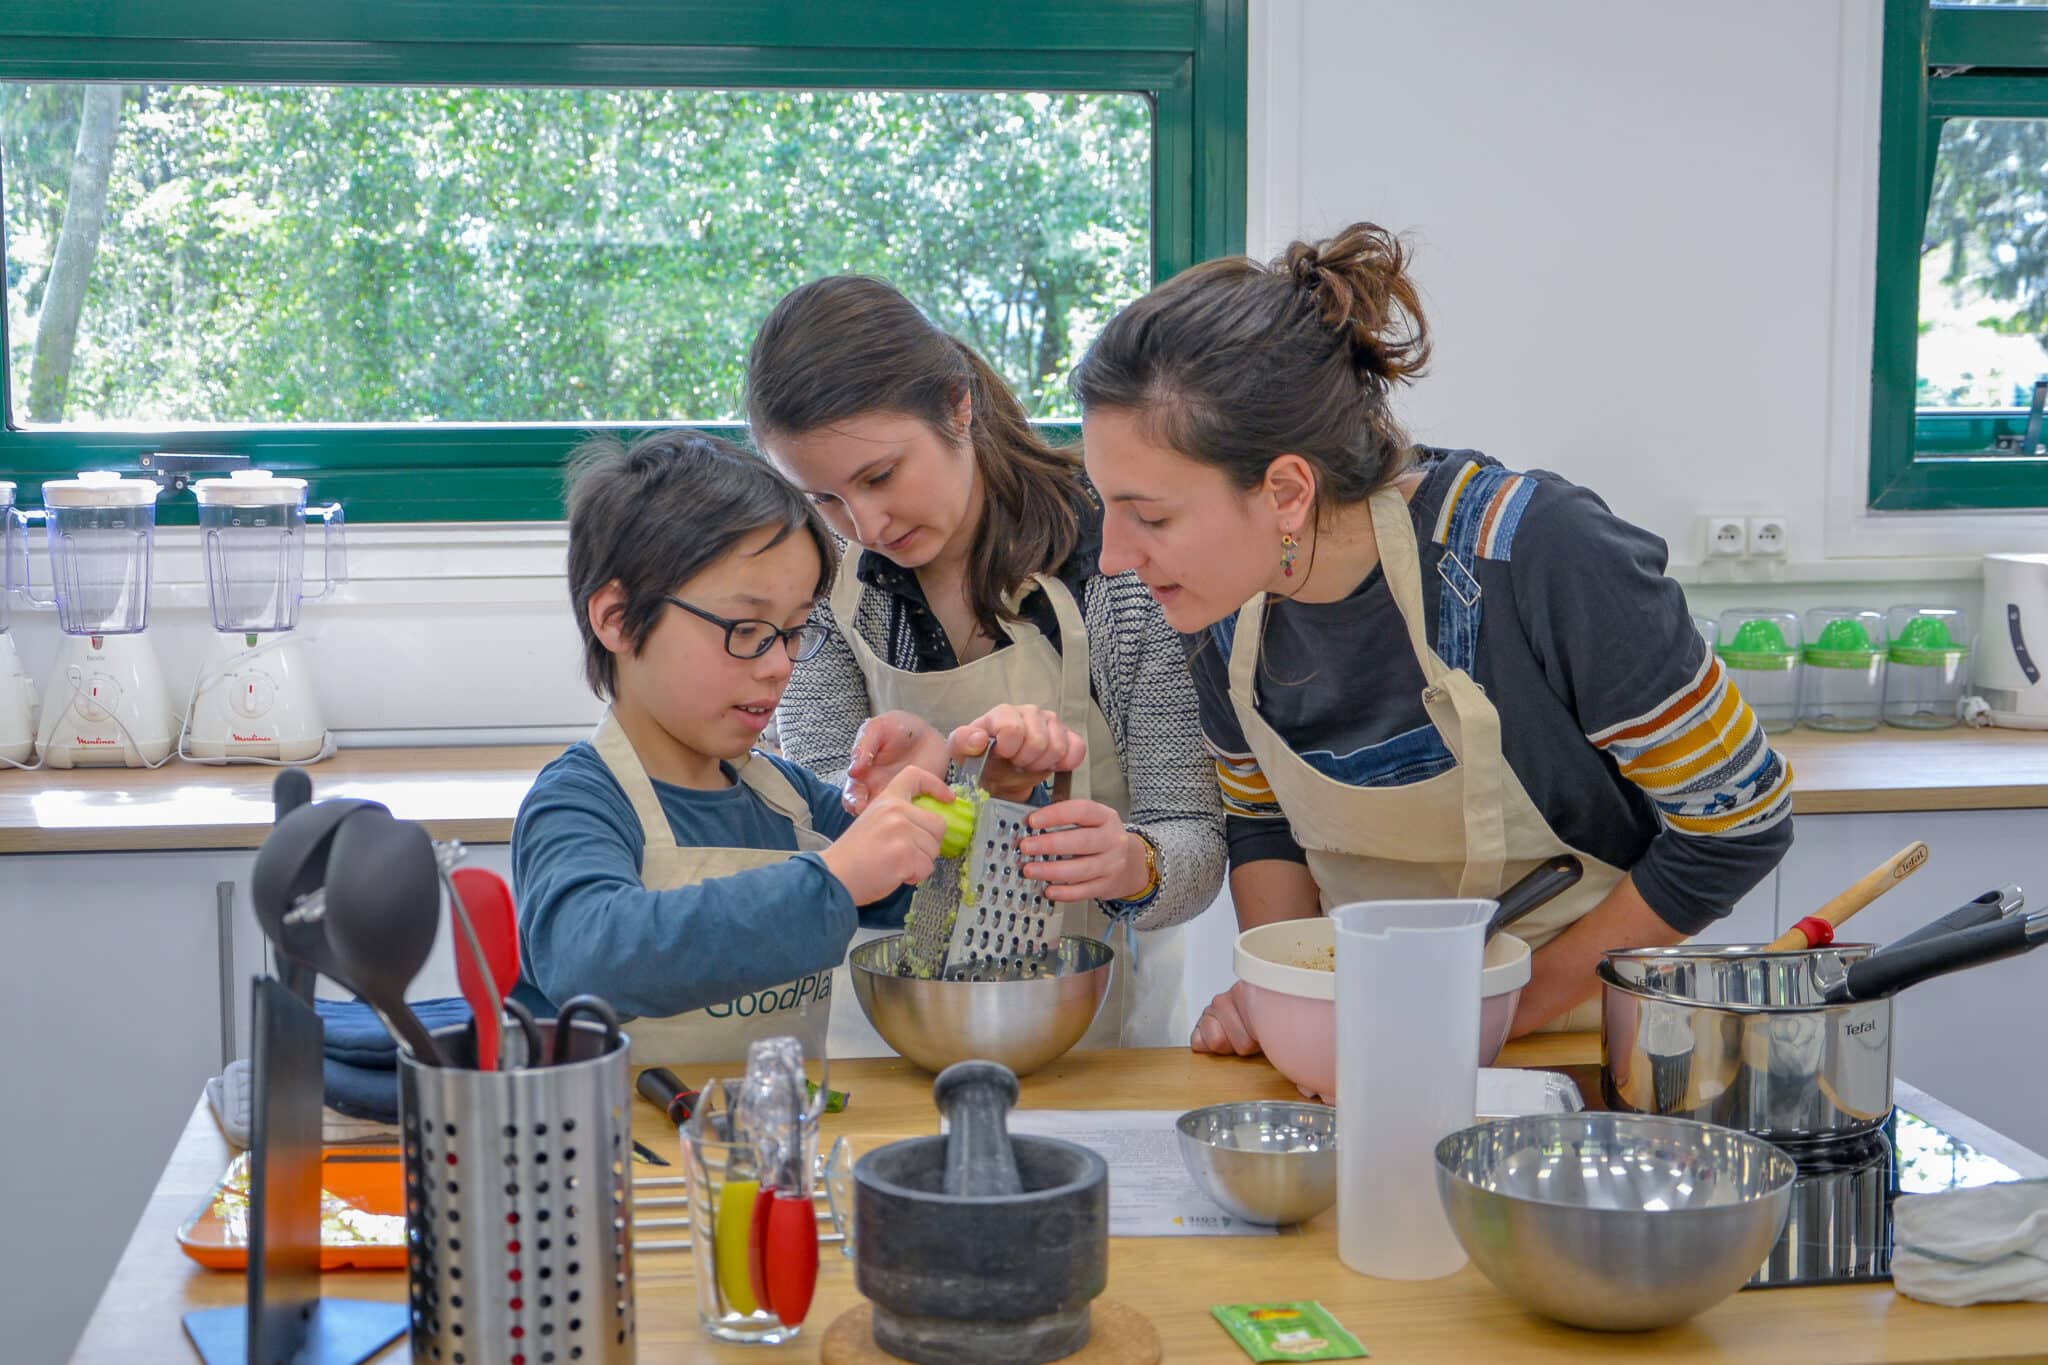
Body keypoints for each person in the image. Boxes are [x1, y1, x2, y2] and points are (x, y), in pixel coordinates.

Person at [1069, 223, 1795, 1055]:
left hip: (1581, 1046)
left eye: (1151, 515)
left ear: (1286, 491)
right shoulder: (1217, 604)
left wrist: (1497, 1014)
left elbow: (1738, 827)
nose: (1118, 556)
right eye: (1107, 506)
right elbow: (1262, 817)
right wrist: (1287, 994)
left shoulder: (1537, 556)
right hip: (1379, 1041)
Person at [744, 275, 1226, 1048]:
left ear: (957, 406)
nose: (863, 523)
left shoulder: (1115, 565)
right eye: (824, 499)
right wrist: (897, 789)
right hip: (888, 1021)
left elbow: (1193, 837)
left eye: (879, 476)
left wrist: (1132, 862)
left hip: (1089, 1029)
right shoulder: (827, 587)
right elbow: (824, 823)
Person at [512, 429, 1071, 1065]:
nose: (779, 664)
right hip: (626, 1154)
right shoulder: (579, 803)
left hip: (777, 1145)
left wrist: (997, 793)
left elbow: (940, 922)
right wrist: (832, 879)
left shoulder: (794, 803)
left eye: (794, 632)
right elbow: (591, 959)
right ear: (616, 618)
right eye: (746, 630)